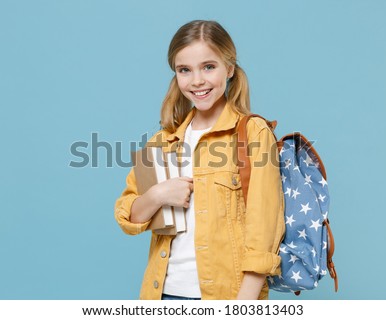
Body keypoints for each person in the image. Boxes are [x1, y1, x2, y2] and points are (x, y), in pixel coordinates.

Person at [114, 20, 285, 300]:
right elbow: (129, 218)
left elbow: (264, 231)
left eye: (209, 67)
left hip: (226, 297)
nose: (197, 81)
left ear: (229, 69)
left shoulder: (253, 132)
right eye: (185, 70)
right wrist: (157, 195)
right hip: (161, 295)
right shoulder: (162, 142)